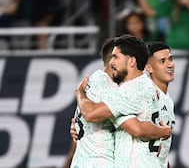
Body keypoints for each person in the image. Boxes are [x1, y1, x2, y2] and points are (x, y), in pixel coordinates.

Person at [69, 36, 171, 167]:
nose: (112, 62)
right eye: (112, 57)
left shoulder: (128, 90)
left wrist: (79, 93)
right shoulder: (139, 87)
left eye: (116, 57)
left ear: (131, 61)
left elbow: (136, 128)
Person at [145, 41, 176, 168]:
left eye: (171, 59)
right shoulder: (146, 93)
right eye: (162, 61)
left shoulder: (167, 99)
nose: (170, 65)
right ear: (149, 68)